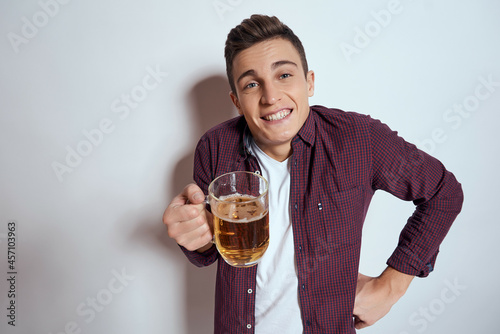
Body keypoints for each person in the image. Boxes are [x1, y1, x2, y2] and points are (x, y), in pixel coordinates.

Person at [163, 14, 463, 333]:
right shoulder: (215, 146)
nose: (270, 96)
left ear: (309, 82)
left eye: (284, 75)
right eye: (252, 83)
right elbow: (210, 249)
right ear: (236, 101)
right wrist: (194, 235)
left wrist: (390, 288)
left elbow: (443, 193)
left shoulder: (359, 140)